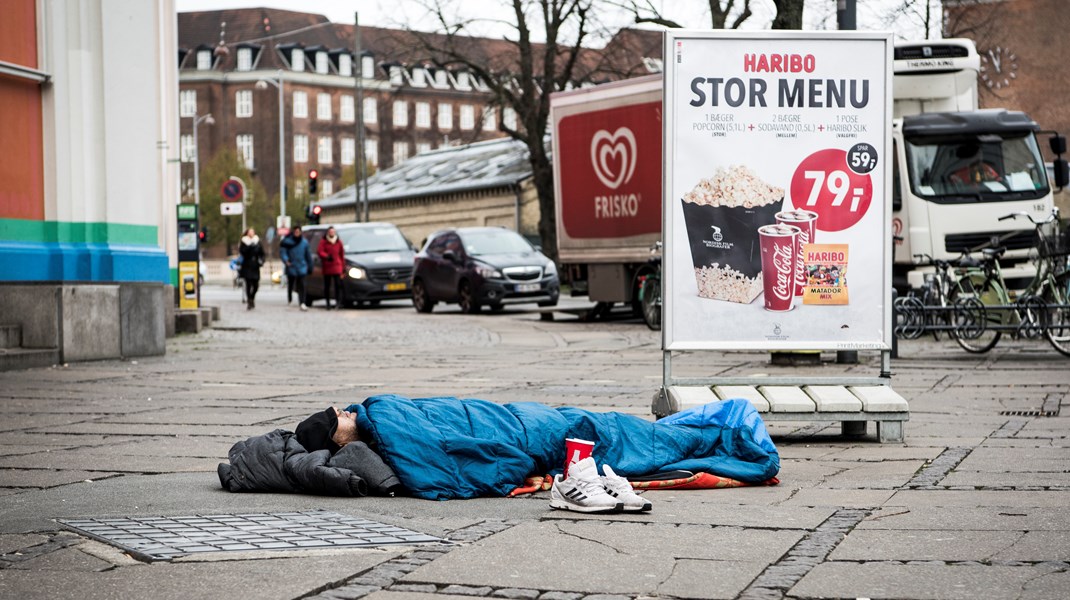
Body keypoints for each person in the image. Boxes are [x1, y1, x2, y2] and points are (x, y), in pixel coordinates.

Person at [286, 394, 780, 512]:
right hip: (533, 427)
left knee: (621, 435)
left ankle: (707, 426)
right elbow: (467, 455)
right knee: (626, 438)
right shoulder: (383, 417)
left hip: (525, 423)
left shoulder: (382, 425)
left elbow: (458, 459)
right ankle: (724, 421)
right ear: (341, 423)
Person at [280, 226, 312, 311]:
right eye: (296, 232)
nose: (297, 233)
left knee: (302, 285)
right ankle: (290, 298)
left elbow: (308, 255)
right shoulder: (287, 242)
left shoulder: (304, 242)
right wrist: (286, 261)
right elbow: (283, 252)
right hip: (292, 265)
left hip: (301, 266)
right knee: (291, 284)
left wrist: (310, 265)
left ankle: (302, 302)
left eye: (298, 232)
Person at [317, 226, 345, 309]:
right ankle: (328, 303)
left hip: (337, 266)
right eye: (330, 232)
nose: (332, 233)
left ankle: (338, 302)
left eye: (333, 232)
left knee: (338, 285)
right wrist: (326, 256)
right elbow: (320, 251)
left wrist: (343, 267)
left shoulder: (338, 242)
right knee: (327, 286)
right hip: (328, 266)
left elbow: (342, 255)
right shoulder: (324, 241)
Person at [238, 228, 265, 310]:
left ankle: (252, 298)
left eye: (252, 232)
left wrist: (262, 261)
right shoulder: (244, 241)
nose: (251, 233)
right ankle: (249, 300)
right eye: (250, 232)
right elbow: (242, 252)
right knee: (248, 284)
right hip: (247, 265)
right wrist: (250, 247)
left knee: (256, 285)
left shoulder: (257, 241)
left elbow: (262, 253)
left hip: (255, 265)